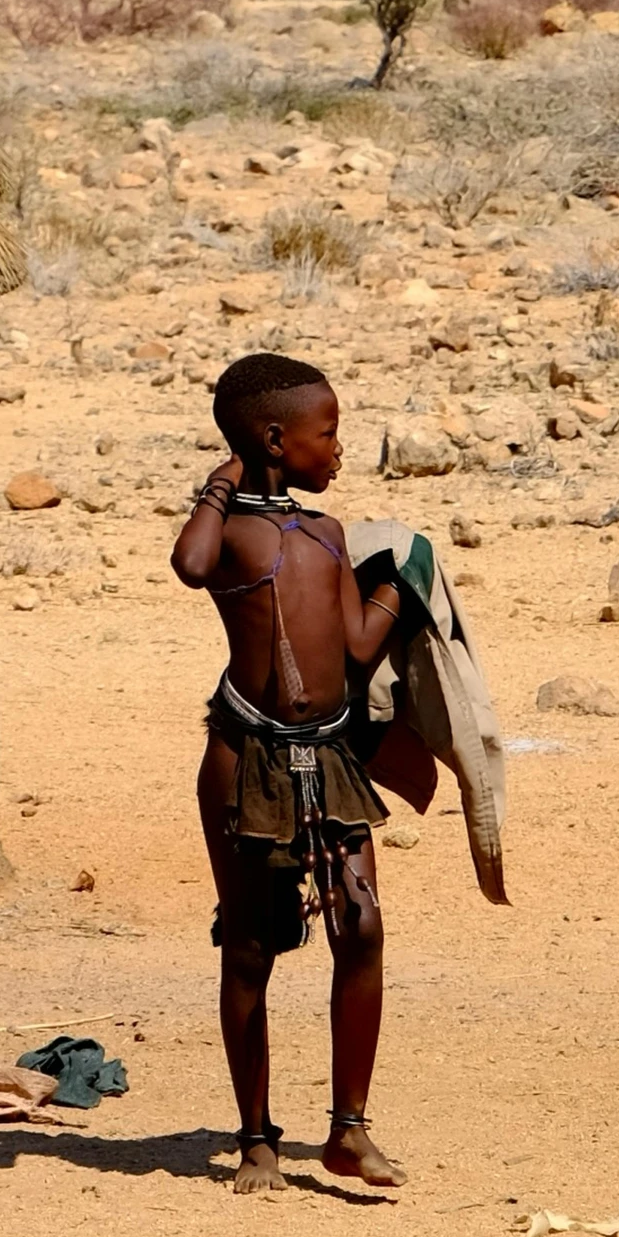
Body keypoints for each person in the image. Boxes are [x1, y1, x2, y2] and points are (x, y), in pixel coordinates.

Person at [171, 352, 407, 1193]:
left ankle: (347, 1129)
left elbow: (352, 648)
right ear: (277, 437)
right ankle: (257, 1139)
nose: (339, 446)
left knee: (363, 927)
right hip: (247, 757)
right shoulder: (231, 532)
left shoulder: (329, 533)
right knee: (250, 946)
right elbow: (189, 564)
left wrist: (398, 587)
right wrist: (221, 478)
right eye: (328, 430)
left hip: (332, 755)